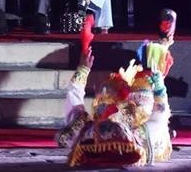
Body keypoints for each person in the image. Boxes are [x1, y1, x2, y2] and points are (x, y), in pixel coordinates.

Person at [57, 9, 176, 167]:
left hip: (114, 98)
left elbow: (74, 101)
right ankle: (164, 43)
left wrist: (82, 68)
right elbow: (159, 114)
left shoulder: (86, 135)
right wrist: (159, 87)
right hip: (139, 110)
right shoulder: (143, 138)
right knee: (148, 87)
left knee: (116, 93)